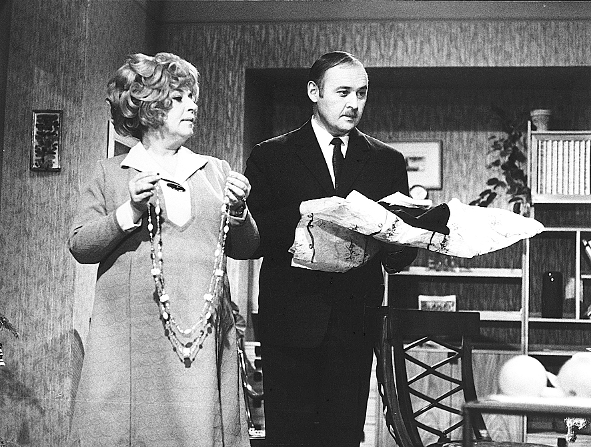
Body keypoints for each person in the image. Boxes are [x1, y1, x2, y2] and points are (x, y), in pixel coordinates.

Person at [68, 52, 259, 447]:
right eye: (178, 98)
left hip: (199, 335)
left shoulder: (216, 171)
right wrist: (130, 210)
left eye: (193, 98)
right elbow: (81, 246)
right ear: (148, 106)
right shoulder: (110, 174)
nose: (192, 106)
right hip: (130, 337)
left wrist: (239, 210)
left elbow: (246, 248)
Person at [244, 51, 418, 447]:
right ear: (314, 92)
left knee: (343, 436)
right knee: (289, 438)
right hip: (289, 322)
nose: (354, 103)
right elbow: (252, 238)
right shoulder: (271, 155)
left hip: (354, 325)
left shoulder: (387, 162)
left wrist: (409, 234)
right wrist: (305, 211)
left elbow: (398, 257)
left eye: (362, 93)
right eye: (343, 92)